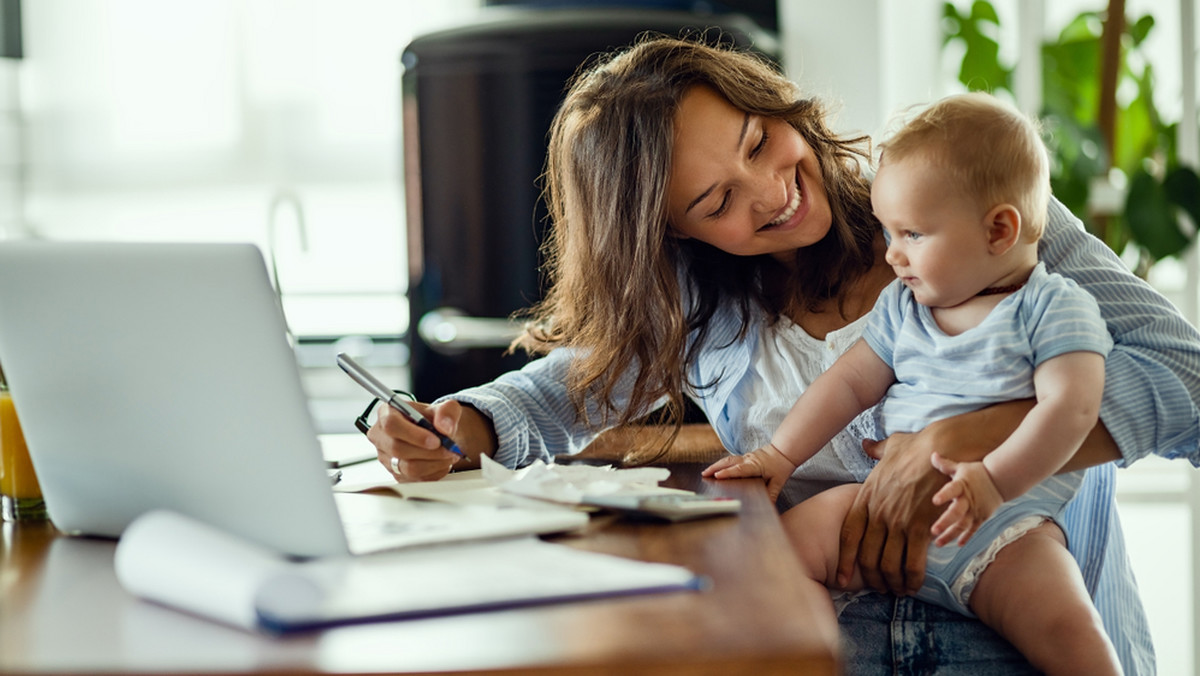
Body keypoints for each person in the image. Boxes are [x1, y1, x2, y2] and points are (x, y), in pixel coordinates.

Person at [367, 35, 1200, 675]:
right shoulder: (703, 302)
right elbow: (560, 391)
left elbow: (1190, 384)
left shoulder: (967, 203)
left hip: (1024, 633)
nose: (772, 190)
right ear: (672, 233)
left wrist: (959, 440)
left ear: (776, 104)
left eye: (760, 140)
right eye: (717, 200)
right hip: (834, 642)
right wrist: (460, 423)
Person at [703, 92, 1121, 675]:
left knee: (1070, 631)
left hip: (1006, 529)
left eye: (912, 235)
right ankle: (808, 657)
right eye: (887, 232)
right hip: (880, 506)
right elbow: (848, 384)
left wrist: (992, 483)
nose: (892, 255)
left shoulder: (1053, 309)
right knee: (777, 555)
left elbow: (1073, 410)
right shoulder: (905, 307)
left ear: (999, 230)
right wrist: (779, 454)